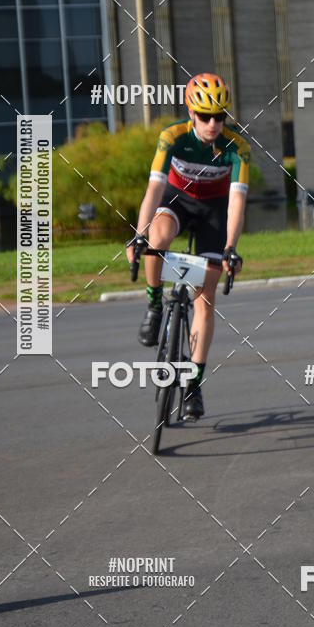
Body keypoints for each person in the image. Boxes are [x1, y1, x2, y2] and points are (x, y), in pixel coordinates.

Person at [127, 73, 250, 420]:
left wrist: (230, 247)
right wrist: (139, 233)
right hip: (176, 200)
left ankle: (194, 384)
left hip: (213, 211)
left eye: (220, 116)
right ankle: (154, 304)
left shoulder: (237, 148)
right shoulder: (172, 137)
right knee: (157, 239)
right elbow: (154, 189)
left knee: (204, 300)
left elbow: (237, 203)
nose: (213, 124)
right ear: (191, 113)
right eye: (205, 116)